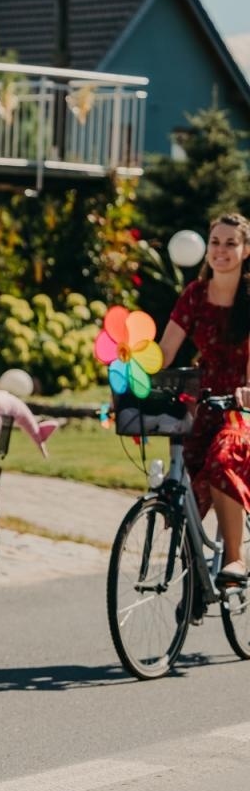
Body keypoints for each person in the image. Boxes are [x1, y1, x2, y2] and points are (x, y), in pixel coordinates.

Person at [157, 213, 250, 587]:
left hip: (240, 408)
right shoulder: (194, 295)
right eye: (215, 242)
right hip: (201, 403)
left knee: (222, 459)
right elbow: (164, 352)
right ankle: (193, 575)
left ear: (246, 250)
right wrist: (132, 366)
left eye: (231, 243)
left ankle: (234, 558)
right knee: (180, 488)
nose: (221, 251)